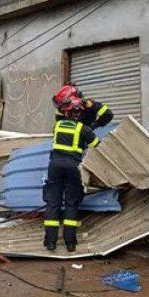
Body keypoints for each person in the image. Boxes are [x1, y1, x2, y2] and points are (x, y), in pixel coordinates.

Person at [43, 96, 100, 252]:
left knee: (53, 203)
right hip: (73, 167)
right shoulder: (84, 129)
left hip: (54, 166)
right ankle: (70, 243)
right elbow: (96, 145)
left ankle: (50, 242)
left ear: (66, 112)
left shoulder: (57, 126)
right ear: (80, 114)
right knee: (71, 203)